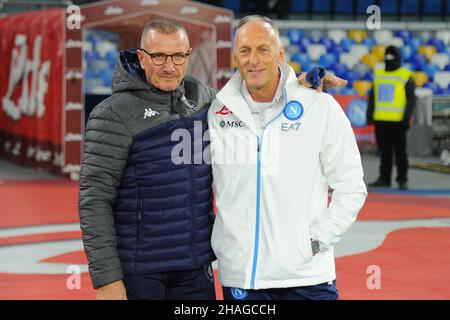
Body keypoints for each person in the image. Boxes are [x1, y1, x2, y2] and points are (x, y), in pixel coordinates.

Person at [78, 18, 346, 300]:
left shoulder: (205, 100)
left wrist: (296, 86)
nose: (169, 66)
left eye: (178, 55)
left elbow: (255, 95)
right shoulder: (112, 115)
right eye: (158, 56)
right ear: (142, 57)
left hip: (195, 270)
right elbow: (94, 199)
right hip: (140, 272)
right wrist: (107, 279)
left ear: (188, 55)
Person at [208, 15, 367, 300]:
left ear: (280, 54)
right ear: (235, 56)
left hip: (307, 277)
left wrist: (316, 241)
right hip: (242, 276)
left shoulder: (319, 106)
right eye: (245, 51)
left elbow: (352, 186)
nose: (253, 59)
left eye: (262, 49)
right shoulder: (216, 111)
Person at [366, 45, 416, 190]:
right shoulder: (379, 74)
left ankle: (402, 179)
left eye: (392, 55)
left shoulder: (406, 75)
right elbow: (372, 96)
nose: (389, 58)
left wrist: (406, 119)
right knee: (384, 153)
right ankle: (384, 178)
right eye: (387, 55)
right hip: (381, 120)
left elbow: (411, 99)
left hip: (398, 122)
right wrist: (370, 115)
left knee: (401, 153)